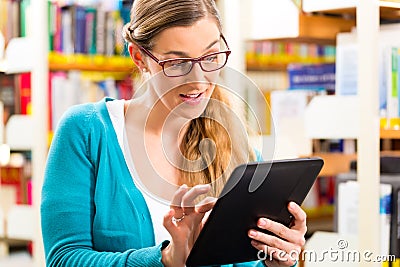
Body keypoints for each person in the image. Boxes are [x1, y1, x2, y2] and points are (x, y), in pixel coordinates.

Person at [41, 0, 307, 266]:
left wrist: (276, 259)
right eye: (178, 63)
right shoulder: (86, 131)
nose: (199, 81)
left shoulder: (237, 147)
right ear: (139, 57)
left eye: (211, 57)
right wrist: (166, 259)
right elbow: (64, 259)